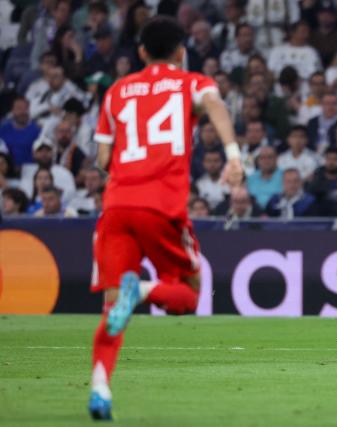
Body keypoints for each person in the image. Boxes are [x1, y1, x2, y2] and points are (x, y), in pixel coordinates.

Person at [88, 17, 242, 420]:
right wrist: (233, 155)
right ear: (180, 50)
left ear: (140, 52)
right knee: (190, 293)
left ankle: (100, 387)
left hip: (117, 205)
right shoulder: (192, 82)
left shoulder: (116, 92)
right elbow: (216, 106)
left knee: (110, 306)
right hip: (162, 206)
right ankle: (139, 292)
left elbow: (103, 159)